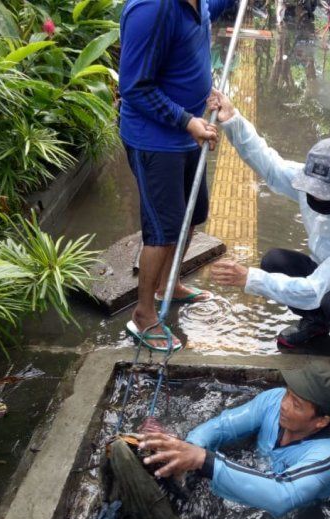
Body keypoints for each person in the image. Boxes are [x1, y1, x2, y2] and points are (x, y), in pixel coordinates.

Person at [206, 89, 330, 379]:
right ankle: (316, 322)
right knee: (275, 261)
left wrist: (249, 278)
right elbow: (270, 166)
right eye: (313, 190)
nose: (316, 199)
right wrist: (232, 120)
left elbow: (314, 289)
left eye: (327, 195)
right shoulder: (311, 180)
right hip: (326, 273)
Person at [118, 0, 236, 351]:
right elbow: (134, 87)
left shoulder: (195, 3)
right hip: (156, 140)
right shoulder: (152, 10)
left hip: (189, 134)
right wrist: (186, 121)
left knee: (192, 216)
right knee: (163, 231)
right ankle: (144, 313)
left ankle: (168, 283)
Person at [139, 361, 330, 517]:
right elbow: (224, 425)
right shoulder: (274, 399)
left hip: (287, 517)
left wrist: (204, 460)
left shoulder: (326, 458)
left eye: (297, 404)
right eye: (288, 394)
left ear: (321, 421)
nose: (284, 404)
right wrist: (190, 447)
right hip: (244, 479)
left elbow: (281, 496)